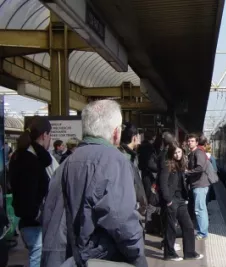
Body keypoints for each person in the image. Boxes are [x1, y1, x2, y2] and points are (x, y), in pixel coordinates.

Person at [40, 100, 148, 267]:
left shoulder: (64, 165)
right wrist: (139, 259)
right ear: (116, 132)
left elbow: (50, 219)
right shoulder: (115, 161)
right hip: (101, 260)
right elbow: (123, 222)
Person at [9, 116, 53, 267]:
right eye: (50, 135)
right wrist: (39, 215)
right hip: (34, 223)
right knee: (37, 260)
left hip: (26, 223)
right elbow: (30, 194)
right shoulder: (31, 161)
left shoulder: (19, 156)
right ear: (44, 135)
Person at [159, 142, 203, 261]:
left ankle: (189, 252)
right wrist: (168, 201)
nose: (177, 154)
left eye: (179, 152)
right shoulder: (167, 164)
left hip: (181, 199)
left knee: (188, 226)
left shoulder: (181, 164)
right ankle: (169, 254)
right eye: (175, 152)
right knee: (171, 227)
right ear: (171, 153)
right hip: (172, 200)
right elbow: (163, 184)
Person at [185, 134, 211, 240]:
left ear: (196, 142)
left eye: (192, 141)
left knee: (199, 209)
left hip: (200, 184)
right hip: (197, 184)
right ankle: (203, 231)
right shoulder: (193, 153)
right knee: (201, 208)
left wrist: (188, 172)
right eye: (188, 141)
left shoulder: (198, 153)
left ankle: (202, 233)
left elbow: (200, 168)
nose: (189, 143)